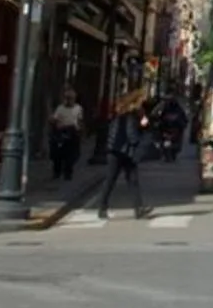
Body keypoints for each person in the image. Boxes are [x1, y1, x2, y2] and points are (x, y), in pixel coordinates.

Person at [97, 91, 154, 220]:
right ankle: (137, 209)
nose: (143, 104)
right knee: (126, 180)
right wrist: (140, 137)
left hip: (116, 150)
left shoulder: (122, 113)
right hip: (123, 151)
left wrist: (143, 121)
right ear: (136, 102)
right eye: (141, 102)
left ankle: (104, 208)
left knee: (116, 180)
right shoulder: (131, 116)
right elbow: (132, 135)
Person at [47, 88, 85, 183]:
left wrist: (79, 130)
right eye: (66, 98)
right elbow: (55, 118)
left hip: (72, 132)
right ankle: (57, 172)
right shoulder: (60, 108)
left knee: (71, 155)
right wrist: (53, 120)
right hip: (61, 131)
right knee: (57, 154)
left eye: (70, 98)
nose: (68, 100)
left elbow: (79, 121)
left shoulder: (78, 108)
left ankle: (68, 173)